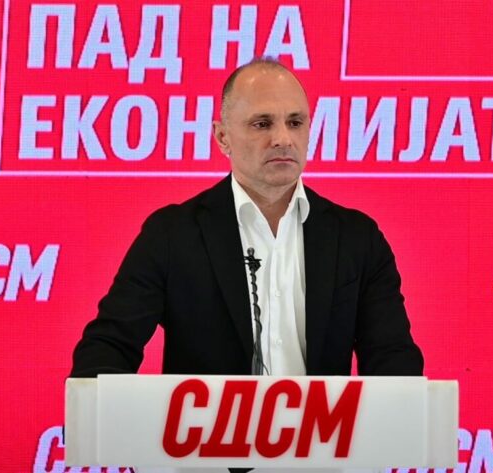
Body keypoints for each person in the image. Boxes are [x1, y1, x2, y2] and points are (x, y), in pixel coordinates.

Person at [70, 57, 423, 379]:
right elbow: (106, 349)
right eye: (262, 124)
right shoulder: (172, 235)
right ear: (222, 137)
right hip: (205, 430)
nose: (283, 139)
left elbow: (394, 361)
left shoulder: (357, 238)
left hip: (324, 430)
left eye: (295, 122)